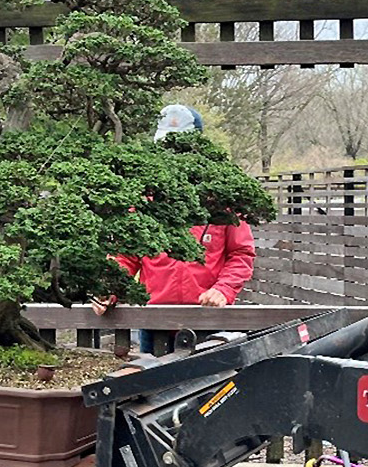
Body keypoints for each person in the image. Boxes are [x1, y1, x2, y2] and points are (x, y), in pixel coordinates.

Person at [92, 105, 256, 351]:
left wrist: (223, 289)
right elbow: (126, 254)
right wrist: (108, 288)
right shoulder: (142, 200)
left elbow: (241, 254)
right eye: (166, 146)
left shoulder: (224, 201)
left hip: (208, 320)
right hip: (154, 319)